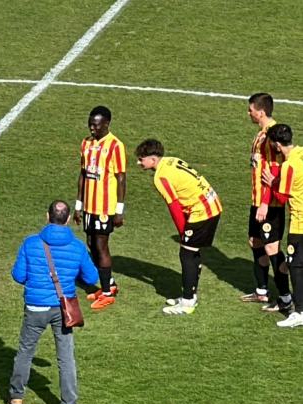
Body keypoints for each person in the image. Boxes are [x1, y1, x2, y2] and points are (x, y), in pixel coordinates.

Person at [9, 200, 98, 404]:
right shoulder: (77, 246)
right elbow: (92, 277)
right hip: (62, 307)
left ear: (47, 216)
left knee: (25, 351)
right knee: (66, 357)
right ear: (68, 219)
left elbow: (18, 275)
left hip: (35, 306)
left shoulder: (30, 244)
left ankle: (16, 397)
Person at [136, 139, 223, 315]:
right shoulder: (172, 160)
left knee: (187, 254)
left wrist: (183, 231)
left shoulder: (160, 177)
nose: (138, 162)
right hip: (211, 204)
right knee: (191, 252)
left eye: (141, 159)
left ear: (153, 159)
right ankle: (189, 295)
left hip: (202, 212)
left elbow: (174, 206)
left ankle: (188, 302)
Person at [240, 93, 291, 311]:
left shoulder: (272, 136)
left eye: (250, 109)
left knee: (272, 248)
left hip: (269, 204)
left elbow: (275, 171)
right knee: (255, 242)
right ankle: (262, 291)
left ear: (261, 112)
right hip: (258, 201)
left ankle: (286, 298)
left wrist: (264, 203)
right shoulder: (262, 134)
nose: (248, 113)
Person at [74, 106, 126, 310]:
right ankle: (109, 284)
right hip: (89, 205)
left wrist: (119, 210)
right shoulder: (86, 143)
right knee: (91, 242)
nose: (92, 128)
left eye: (96, 125)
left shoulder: (115, 146)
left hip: (105, 207)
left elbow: (121, 178)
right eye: (90, 124)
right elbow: (83, 174)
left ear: (107, 124)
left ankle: (106, 294)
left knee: (101, 245)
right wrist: (78, 205)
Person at [263, 124, 303, 327]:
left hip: (300, 222)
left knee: (296, 266)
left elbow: (282, 196)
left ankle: (300, 312)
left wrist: (272, 182)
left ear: (277, 145)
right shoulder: (301, 153)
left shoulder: (288, 166)